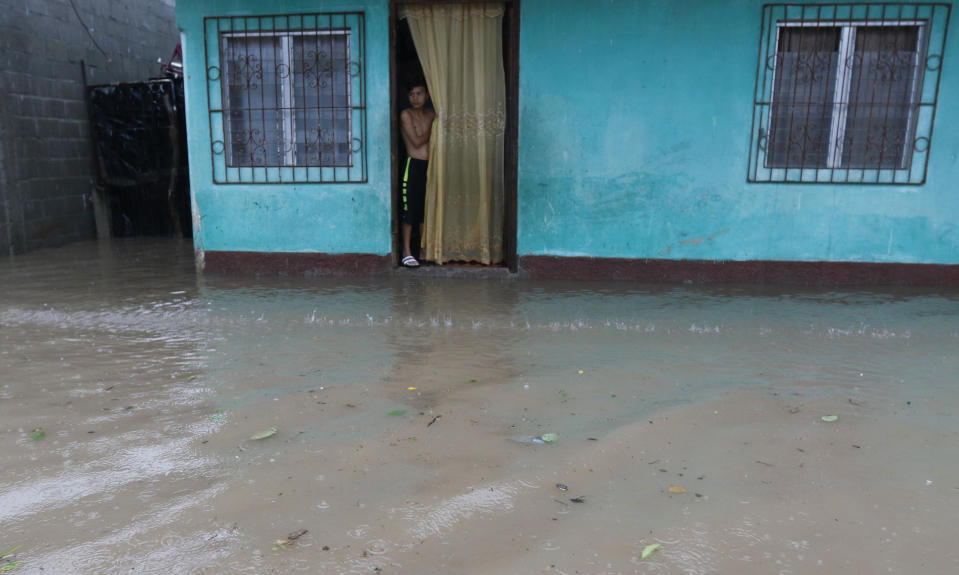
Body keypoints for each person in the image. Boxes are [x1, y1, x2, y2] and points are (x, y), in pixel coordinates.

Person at [399, 80, 435, 267]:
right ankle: (406, 252)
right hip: (413, 165)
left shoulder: (431, 113)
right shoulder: (406, 115)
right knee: (409, 211)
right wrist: (434, 125)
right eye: (412, 94)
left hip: (431, 165)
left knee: (425, 210)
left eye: (419, 93)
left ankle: (422, 250)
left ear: (427, 95)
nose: (415, 98)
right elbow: (417, 142)